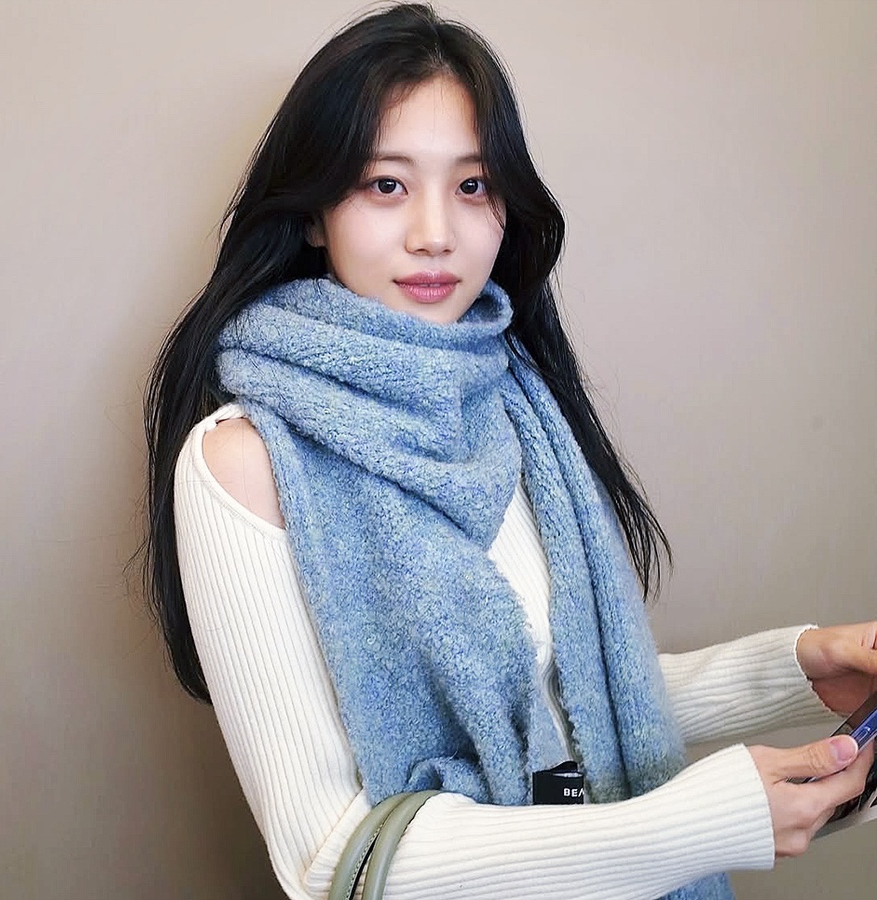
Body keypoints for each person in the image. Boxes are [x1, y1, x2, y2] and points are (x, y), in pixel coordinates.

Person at [143, 4, 877, 898]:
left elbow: (573, 700)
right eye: (385, 184)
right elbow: (328, 859)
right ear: (312, 213)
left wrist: (798, 668)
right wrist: (699, 825)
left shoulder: (519, 404)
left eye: (473, 186)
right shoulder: (245, 461)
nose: (435, 233)